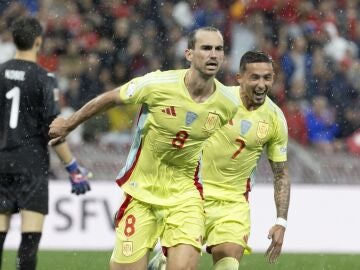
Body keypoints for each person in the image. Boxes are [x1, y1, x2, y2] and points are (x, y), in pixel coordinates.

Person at [48, 26, 239, 270]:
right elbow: (110, 98)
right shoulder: (158, 84)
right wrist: (68, 124)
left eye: (218, 49)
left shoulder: (227, 104)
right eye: (206, 48)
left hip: (185, 195)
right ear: (189, 54)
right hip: (141, 191)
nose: (213, 54)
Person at [149, 50, 291, 270]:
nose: (261, 84)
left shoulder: (275, 118)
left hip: (233, 205)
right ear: (240, 78)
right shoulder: (216, 98)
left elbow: (281, 173)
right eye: (255, 77)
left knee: (228, 264)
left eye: (267, 77)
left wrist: (281, 221)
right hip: (193, 197)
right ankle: (162, 262)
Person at [0, 17, 91, 270]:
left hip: (2, 164)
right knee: (28, 242)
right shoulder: (43, 78)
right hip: (31, 164)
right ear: (38, 41)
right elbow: (53, 129)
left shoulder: (0, 72)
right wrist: (72, 167)